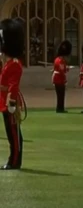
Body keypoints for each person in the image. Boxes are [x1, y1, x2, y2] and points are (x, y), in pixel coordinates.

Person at [0, 18, 25, 170]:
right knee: (11, 133)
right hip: (4, 101)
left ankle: (15, 161)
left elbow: (13, 87)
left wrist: (11, 104)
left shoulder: (14, 64)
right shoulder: (8, 62)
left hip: (10, 103)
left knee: (14, 135)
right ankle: (13, 159)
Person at [52, 40, 72, 113]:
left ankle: (60, 108)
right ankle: (60, 108)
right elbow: (61, 71)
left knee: (60, 95)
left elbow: (62, 69)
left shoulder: (57, 59)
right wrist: (65, 80)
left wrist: (66, 69)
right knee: (61, 95)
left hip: (57, 79)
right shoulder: (60, 60)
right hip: (59, 80)